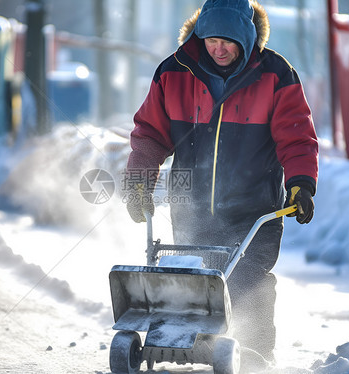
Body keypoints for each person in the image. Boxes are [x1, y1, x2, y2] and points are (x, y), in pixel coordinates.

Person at [123, 0, 319, 363]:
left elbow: (296, 136)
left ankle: (257, 356)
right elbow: (150, 134)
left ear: (246, 37)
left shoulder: (276, 74)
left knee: (248, 280)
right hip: (192, 206)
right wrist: (138, 180)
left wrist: (301, 182)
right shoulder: (174, 71)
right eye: (212, 40)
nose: (219, 49)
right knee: (192, 278)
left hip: (254, 207)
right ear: (201, 35)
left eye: (228, 41)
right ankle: (189, 346)